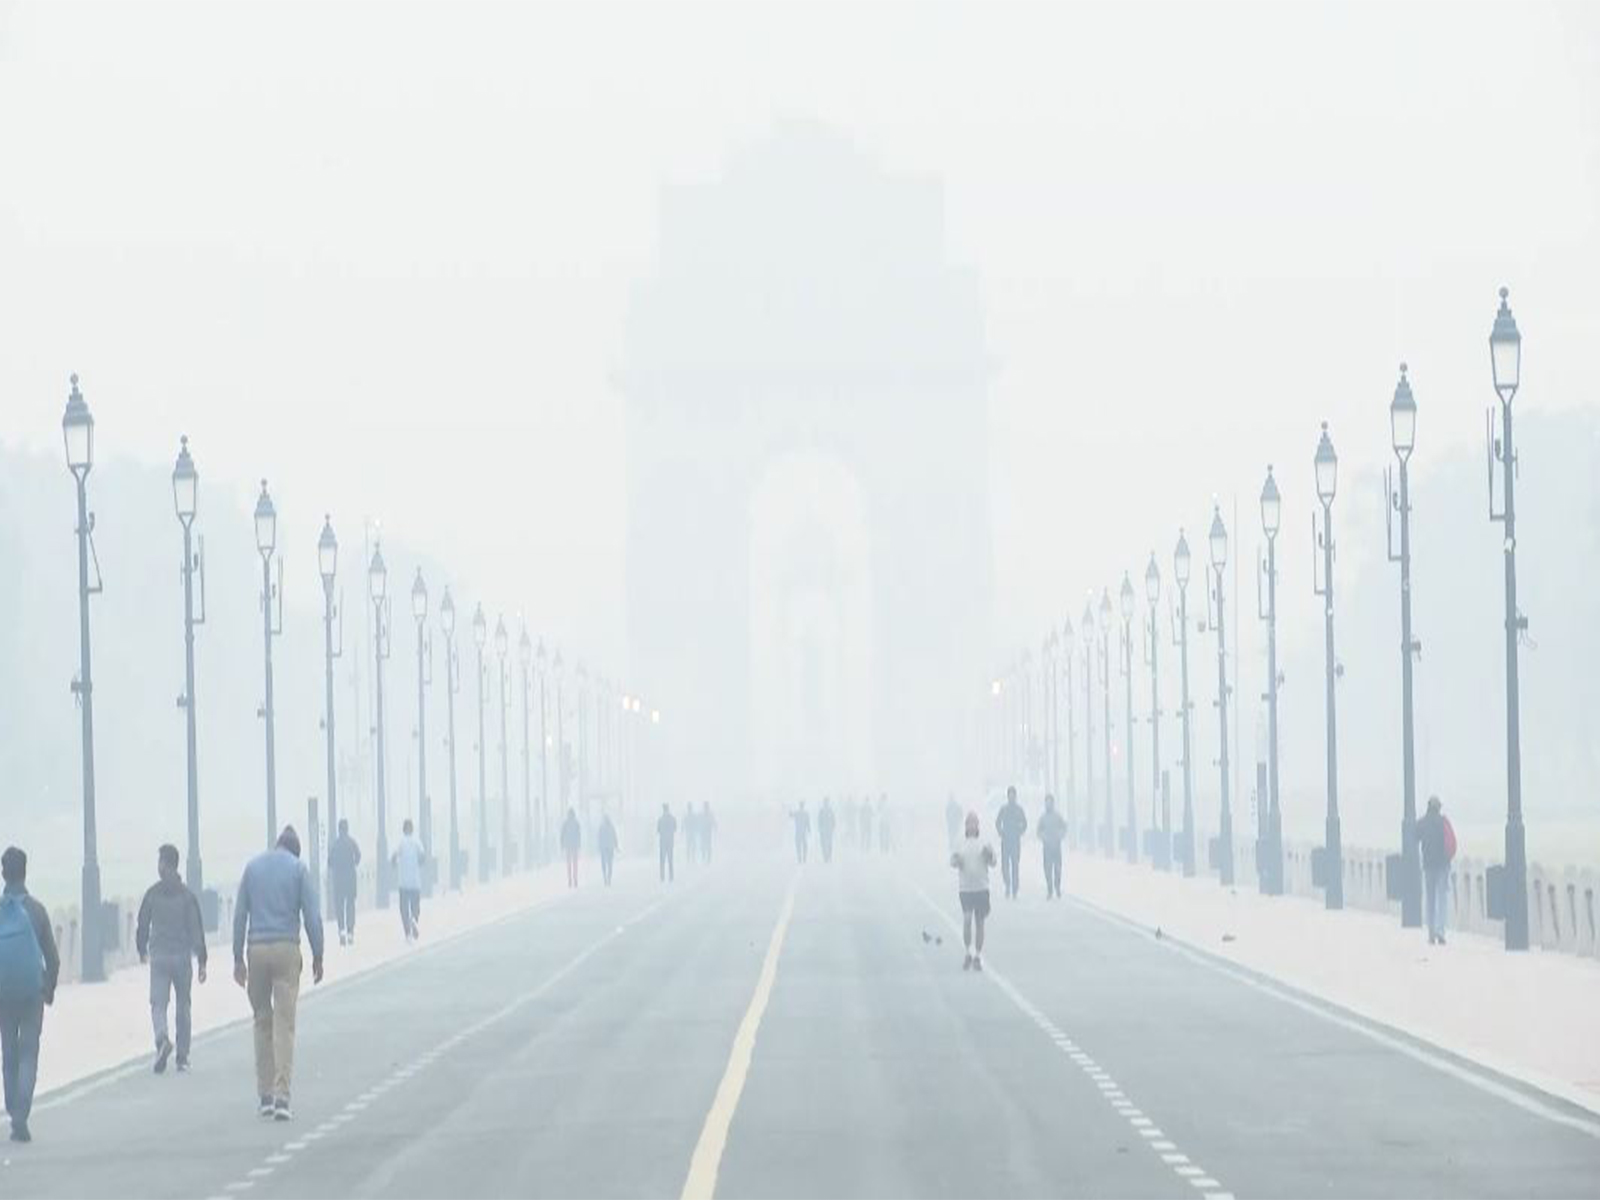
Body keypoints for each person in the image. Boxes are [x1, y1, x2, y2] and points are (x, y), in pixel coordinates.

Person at [233, 826, 324, 1122]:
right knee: (284, 1024)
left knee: (262, 1020)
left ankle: (265, 1096)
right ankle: (282, 1096)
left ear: (277, 845)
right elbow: (312, 916)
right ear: (295, 850)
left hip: (257, 949)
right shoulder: (298, 869)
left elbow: (239, 915)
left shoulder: (252, 868)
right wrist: (318, 954)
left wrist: (237, 958)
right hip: (286, 949)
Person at [0, 847, 59, 1144]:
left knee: (9, 1053)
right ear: (25, 872)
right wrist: (49, 988)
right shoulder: (37, 911)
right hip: (32, 993)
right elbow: (53, 957)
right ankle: (22, 1112)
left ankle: (13, 1108)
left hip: (4, 994)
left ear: (3, 873)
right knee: (28, 1053)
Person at [135, 844, 208, 1073]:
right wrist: (202, 960)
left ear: (165, 865)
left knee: (158, 1003)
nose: (159, 867)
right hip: (181, 957)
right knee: (183, 1005)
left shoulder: (152, 893)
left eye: (160, 862)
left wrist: (141, 949)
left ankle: (162, 1039)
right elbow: (196, 928)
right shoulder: (187, 896)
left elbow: (142, 922)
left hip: (159, 956)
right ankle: (182, 1057)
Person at [950, 813, 996, 972]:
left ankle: (977, 955)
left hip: (981, 888)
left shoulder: (984, 843)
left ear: (978, 826)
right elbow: (953, 861)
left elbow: (993, 862)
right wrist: (957, 861)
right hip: (965, 889)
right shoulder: (960, 843)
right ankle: (968, 951)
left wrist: (989, 855)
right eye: (969, 823)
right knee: (967, 919)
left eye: (974, 823)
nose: (971, 826)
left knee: (980, 922)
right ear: (966, 826)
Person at [1416, 795, 1456, 945]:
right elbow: (1451, 843)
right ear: (1439, 807)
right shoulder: (1443, 821)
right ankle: (1441, 931)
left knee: (1430, 899)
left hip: (1428, 866)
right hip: (1443, 865)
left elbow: (1414, 837)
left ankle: (1431, 933)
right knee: (1442, 899)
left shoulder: (1422, 823)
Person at [327, 819, 361, 947]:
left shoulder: (335, 845)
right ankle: (350, 932)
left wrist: (336, 866)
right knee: (350, 905)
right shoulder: (352, 842)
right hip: (351, 879)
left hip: (338, 880)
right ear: (347, 829)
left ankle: (341, 931)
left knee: (340, 906)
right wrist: (353, 864)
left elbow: (329, 862)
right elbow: (358, 856)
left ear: (339, 829)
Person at [392, 820, 425, 942]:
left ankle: (408, 933)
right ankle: (414, 919)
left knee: (404, 909)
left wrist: (394, 864)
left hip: (403, 882)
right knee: (415, 905)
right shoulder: (417, 842)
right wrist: (418, 864)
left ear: (403, 829)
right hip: (415, 881)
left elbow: (394, 856)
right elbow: (423, 857)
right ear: (412, 829)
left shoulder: (401, 842)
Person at [995, 786, 1028, 899]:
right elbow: (997, 822)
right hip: (1005, 841)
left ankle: (1015, 889)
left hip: (1015, 842)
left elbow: (1025, 823)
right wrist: (1000, 832)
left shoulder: (1019, 810)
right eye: (1010, 795)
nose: (1011, 797)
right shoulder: (1003, 809)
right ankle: (1007, 884)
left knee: (1015, 865)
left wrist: (1020, 832)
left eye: (1013, 795)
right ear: (1007, 796)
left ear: (1015, 796)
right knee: (1005, 866)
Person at [1037, 795, 1067, 900]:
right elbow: (1038, 831)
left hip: (1057, 847)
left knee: (1058, 869)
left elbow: (1064, 827)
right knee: (1048, 870)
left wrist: (1060, 836)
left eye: (1050, 802)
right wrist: (1043, 837)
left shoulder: (1058, 816)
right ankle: (1049, 890)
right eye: (1047, 802)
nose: (1048, 804)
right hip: (1047, 848)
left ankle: (1057, 888)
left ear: (1053, 803)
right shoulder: (1042, 818)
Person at [560, 808, 582, 889]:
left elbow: (562, 835)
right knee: (575, 863)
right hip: (575, 845)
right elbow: (579, 834)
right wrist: (579, 844)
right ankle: (575, 879)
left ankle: (570, 880)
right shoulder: (576, 823)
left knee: (569, 864)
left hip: (568, 846)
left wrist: (562, 844)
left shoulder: (565, 823)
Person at [657, 804, 678, 883]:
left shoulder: (660, 819)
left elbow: (658, 830)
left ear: (663, 809)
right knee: (670, 859)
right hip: (670, 841)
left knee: (662, 860)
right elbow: (675, 828)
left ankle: (662, 876)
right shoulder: (672, 819)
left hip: (662, 842)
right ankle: (671, 876)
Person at [597, 813, 618, 886]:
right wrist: (616, 845)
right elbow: (615, 836)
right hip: (610, 847)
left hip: (604, 847)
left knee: (604, 863)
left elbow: (599, 837)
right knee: (610, 863)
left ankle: (605, 877)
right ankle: (608, 877)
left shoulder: (601, 827)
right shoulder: (611, 827)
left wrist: (599, 846)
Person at [818, 797, 837, 863]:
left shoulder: (827, 811)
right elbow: (819, 821)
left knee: (827, 843)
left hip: (827, 830)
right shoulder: (826, 811)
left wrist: (833, 827)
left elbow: (833, 820)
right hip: (826, 830)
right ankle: (827, 856)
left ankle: (827, 856)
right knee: (826, 843)